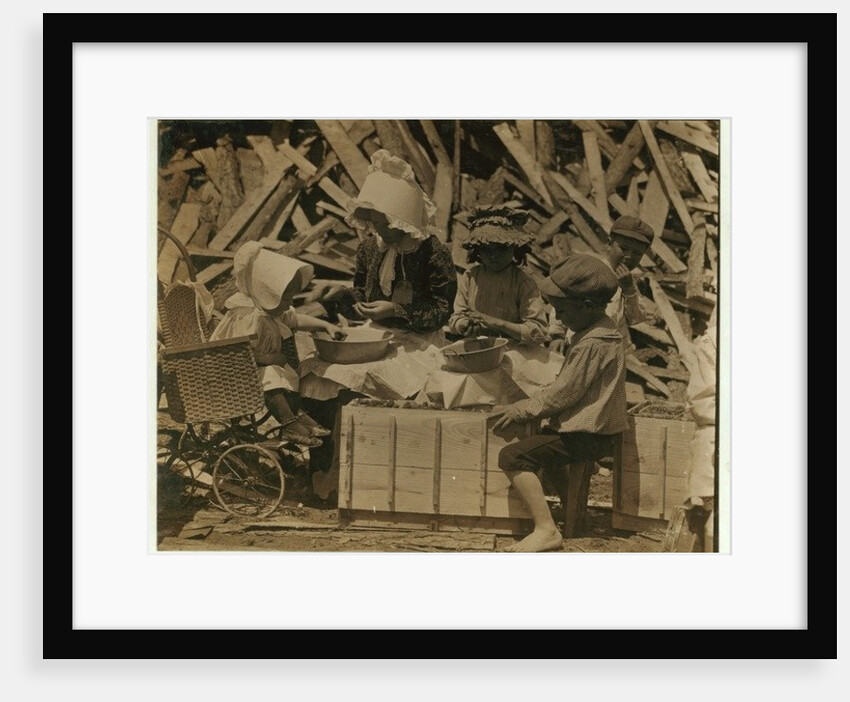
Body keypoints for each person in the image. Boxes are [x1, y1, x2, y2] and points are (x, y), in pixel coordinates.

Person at [491, 254, 627, 552]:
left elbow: (565, 394)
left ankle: (546, 529)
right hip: (590, 432)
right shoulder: (595, 331)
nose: (560, 317)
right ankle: (572, 516)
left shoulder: (594, 343)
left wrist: (521, 409)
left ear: (588, 307)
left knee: (512, 456)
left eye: (563, 310)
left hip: (588, 435)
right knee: (545, 445)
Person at [209, 241, 345, 447]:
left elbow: (297, 319)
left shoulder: (275, 312)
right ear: (266, 295)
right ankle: (289, 424)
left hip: (262, 371)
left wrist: (326, 325)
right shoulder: (247, 316)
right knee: (273, 374)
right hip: (235, 374)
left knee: (288, 372)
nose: (289, 304)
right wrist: (268, 358)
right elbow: (233, 352)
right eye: (285, 299)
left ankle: (298, 415)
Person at [318, 149, 457, 339]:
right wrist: (343, 295)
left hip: (419, 339)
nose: (380, 230)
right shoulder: (370, 248)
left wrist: (395, 310)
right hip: (378, 333)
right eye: (375, 222)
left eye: (386, 223)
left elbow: (442, 309)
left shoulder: (431, 251)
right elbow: (361, 299)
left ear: (404, 221)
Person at [548, 214, 655, 355]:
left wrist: (629, 289)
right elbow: (561, 301)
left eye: (637, 252)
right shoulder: (588, 269)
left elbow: (635, 319)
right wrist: (557, 335)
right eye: (623, 248)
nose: (629, 256)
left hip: (613, 352)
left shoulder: (630, 282)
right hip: (579, 347)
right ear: (610, 244)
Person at [447, 205, 548, 345]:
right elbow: (457, 316)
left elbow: (539, 333)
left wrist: (499, 324)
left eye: (501, 248)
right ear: (477, 250)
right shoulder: (471, 276)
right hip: (478, 346)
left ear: (514, 247)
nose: (494, 255)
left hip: (513, 348)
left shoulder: (522, 281)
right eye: (486, 249)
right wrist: (464, 325)